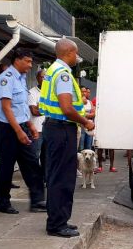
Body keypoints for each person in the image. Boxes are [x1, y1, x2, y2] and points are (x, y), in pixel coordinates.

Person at [40, 38, 94, 238]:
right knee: (62, 177)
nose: (77, 57)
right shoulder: (63, 74)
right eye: (76, 54)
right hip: (62, 129)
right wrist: (85, 122)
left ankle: (59, 220)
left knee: (57, 175)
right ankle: (56, 224)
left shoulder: (52, 70)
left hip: (55, 128)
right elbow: (66, 107)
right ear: (69, 53)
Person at [0, 49, 46, 214]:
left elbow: (22, 107)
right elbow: (6, 108)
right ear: (18, 60)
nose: (30, 66)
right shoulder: (6, 79)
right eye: (28, 61)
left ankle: (37, 201)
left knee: (32, 163)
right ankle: (3, 203)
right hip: (9, 129)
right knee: (6, 167)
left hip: (22, 126)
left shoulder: (21, 79)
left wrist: (29, 125)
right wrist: (18, 131)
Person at [28, 69, 46, 181]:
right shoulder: (32, 92)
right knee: (35, 155)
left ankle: (45, 177)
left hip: (48, 129)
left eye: (46, 77)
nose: (44, 79)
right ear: (38, 78)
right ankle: (34, 177)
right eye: (42, 77)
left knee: (46, 156)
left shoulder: (50, 93)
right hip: (37, 129)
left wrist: (42, 107)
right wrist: (48, 109)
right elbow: (34, 111)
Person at [79, 87, 95, 151]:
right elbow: (77, 113)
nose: (84, 93)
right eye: (82, 91)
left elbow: (93, 114)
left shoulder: (90, 102)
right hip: (81, 126)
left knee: (88, 147)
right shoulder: (78, 102)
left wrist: (84, 115)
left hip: (89, 127)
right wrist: (88, 115)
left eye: (85, 91)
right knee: (81, 147)